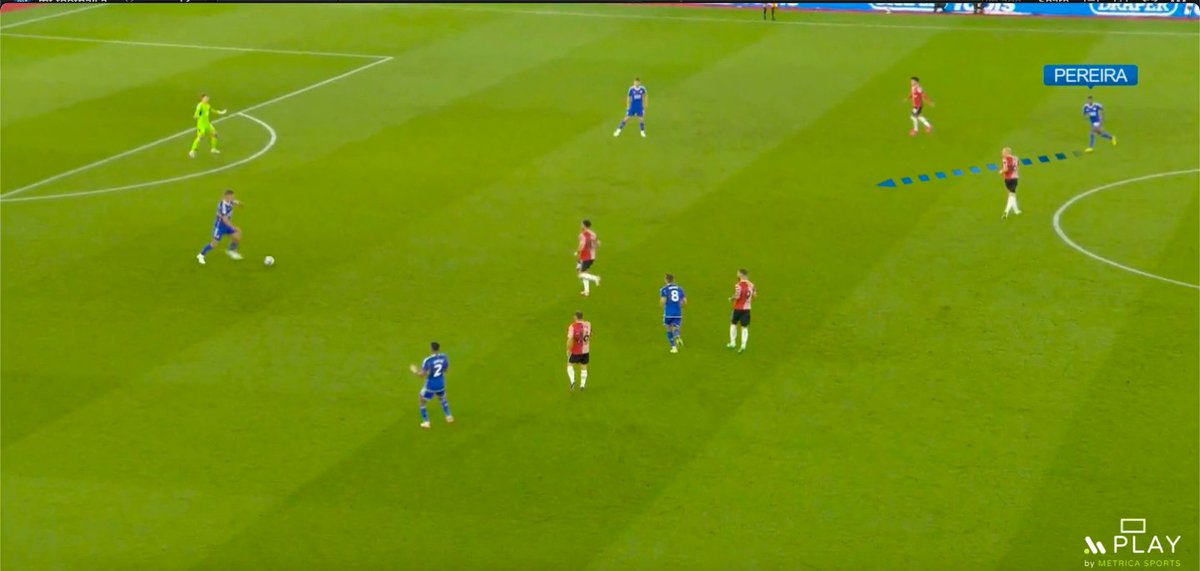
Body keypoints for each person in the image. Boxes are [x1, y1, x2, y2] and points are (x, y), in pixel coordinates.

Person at [410, 342, 453, 429]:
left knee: (421, 400)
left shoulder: (428, 360)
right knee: (442, 398)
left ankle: (426, 422)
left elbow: (422, 375)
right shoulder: (444, 357)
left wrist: (415, 371)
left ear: (431, 349)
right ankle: (449, 416)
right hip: (441, 383)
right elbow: (446, 371)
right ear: (438, 349)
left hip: (431, 385)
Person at [197, 189, 242, 264]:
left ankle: (231, 250)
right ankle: (201, 255)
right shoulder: (223, 205)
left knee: (237, 235)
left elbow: (234, 202)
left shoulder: (229, 201)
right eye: (231, 196)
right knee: (214, 244)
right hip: (220, 227)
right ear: (226, 196)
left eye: (232, 196)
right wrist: (232, 227)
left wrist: (238, 203)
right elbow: (224, 219)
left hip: (226, 226)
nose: (232, 197)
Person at [727, 269, 756, 353]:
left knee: (733, 324)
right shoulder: (752, 285)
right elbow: (754, 296)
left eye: (738, 274)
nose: (737, 275)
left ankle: (733, 343)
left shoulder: (738, 285)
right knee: (744, 327)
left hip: (737, 308)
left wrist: (731, 298)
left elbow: (737, 296)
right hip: (747, 309)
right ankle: (743, 345)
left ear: (741, 275)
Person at [189, 93, 226, 158]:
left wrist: (219, 112)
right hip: (201, 125)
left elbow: (211, 110)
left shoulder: (207, 105)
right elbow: (198, 111)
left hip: (207, 124)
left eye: (207, 98)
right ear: (202, 99)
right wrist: (196, 115)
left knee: (215, 134)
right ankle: (192, 151)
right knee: (200, 137)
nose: (207, 99)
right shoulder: (200, 105)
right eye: (205, 98)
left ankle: (213, 149)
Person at [660, 274, 687, 353]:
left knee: (668, 329)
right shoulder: (680, 289)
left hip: (668, 313)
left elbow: (663, 301)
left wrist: (661, 306)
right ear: (673, 280)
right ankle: (677, 335)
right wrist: (680, 306)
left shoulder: (664, 289)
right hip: (678, 312)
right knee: (676, 327)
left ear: (666, 280)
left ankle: (673, 347)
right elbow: (685, 301)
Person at [567, 311, 592, 392]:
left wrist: (568, 350)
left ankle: (572, 381)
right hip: (586, 351)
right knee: (584, 367)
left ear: (575, 317)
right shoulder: (588, 324)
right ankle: (582, 385)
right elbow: (590, 334)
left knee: (570, 365)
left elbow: (570, 339)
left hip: (576, 351)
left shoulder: (572, 326)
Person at [576, 219, 601, 296]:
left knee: (580, 274)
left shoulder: (582, 235)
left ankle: (595, 278)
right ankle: (586, 291)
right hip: (592, 256)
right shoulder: (593, 234)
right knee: (584, 272)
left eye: (581, 224)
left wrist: (578, 252)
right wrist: (593, 248)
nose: (581, 225)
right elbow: (598, 243)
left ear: (584, 225)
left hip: (585, 257)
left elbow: (582, 245)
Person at [1000, 147, 1021, 219]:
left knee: (1011, 194)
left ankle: (1007, 211)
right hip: (1014, 178)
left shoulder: (1005, 159)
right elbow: (1017, 166)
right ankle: (1015, 210)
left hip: (1007, 179)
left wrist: (1001, 171)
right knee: (1012, 194)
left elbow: (1006, 169)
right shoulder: (1016, 158)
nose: (1002, 153)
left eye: (1003, 152)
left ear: (1007, 152)